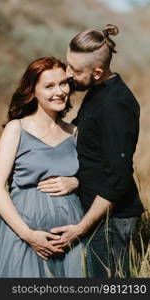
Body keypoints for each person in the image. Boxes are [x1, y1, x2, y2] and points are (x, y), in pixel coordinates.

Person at [37, 25, 144, 278]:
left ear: (97, 72)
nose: (68, 74)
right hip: (99, 216)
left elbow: (117, 178)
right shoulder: (98, 91)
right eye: (67, 64)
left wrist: (80, 229)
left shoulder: (115, 105)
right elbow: (96, 156)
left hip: (112, 221)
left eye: (74, 70)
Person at [0, 57, 86, 278]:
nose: (59, 91)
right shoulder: (17, 129)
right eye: (49, 86)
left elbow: (93, 175)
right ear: (33, 91)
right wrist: (28, 235)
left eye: (63, 83)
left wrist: (77, 181)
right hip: (24, 235)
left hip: (69, 238)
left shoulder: (74, 132)